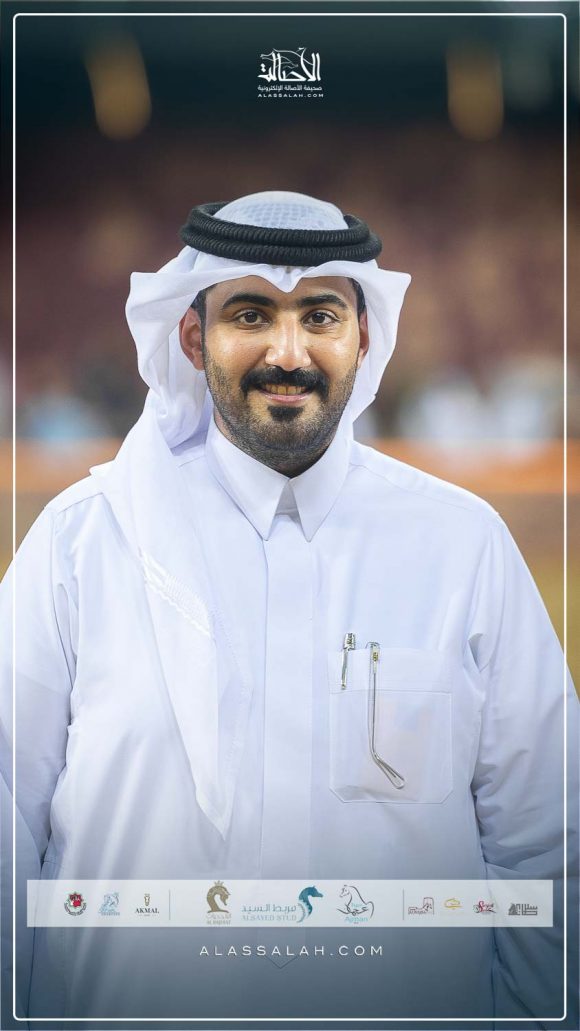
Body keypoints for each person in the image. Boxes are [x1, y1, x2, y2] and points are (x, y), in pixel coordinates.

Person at [1, 190, 578, 1031]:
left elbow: (551, 847)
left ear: (362, 338)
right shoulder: (81, 545)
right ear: (192, 338)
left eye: (320, 316)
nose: (288, 352)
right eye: (250, 314)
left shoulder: (463, 547)